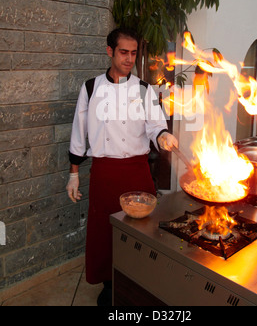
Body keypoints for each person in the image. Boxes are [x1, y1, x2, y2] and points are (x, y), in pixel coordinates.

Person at [66, 27, 178, 306]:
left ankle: (138, 280)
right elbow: (80, 132)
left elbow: (155, 126)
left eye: (133, 53)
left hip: (138, 171)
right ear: (110, 52)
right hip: (105, 172)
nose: (129, 59)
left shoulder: (143, 89)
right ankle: (109, 285)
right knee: (105, 231)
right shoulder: (91, 87)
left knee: (143, 230)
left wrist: (163, 136)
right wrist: (73, 174)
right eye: (123, 52)